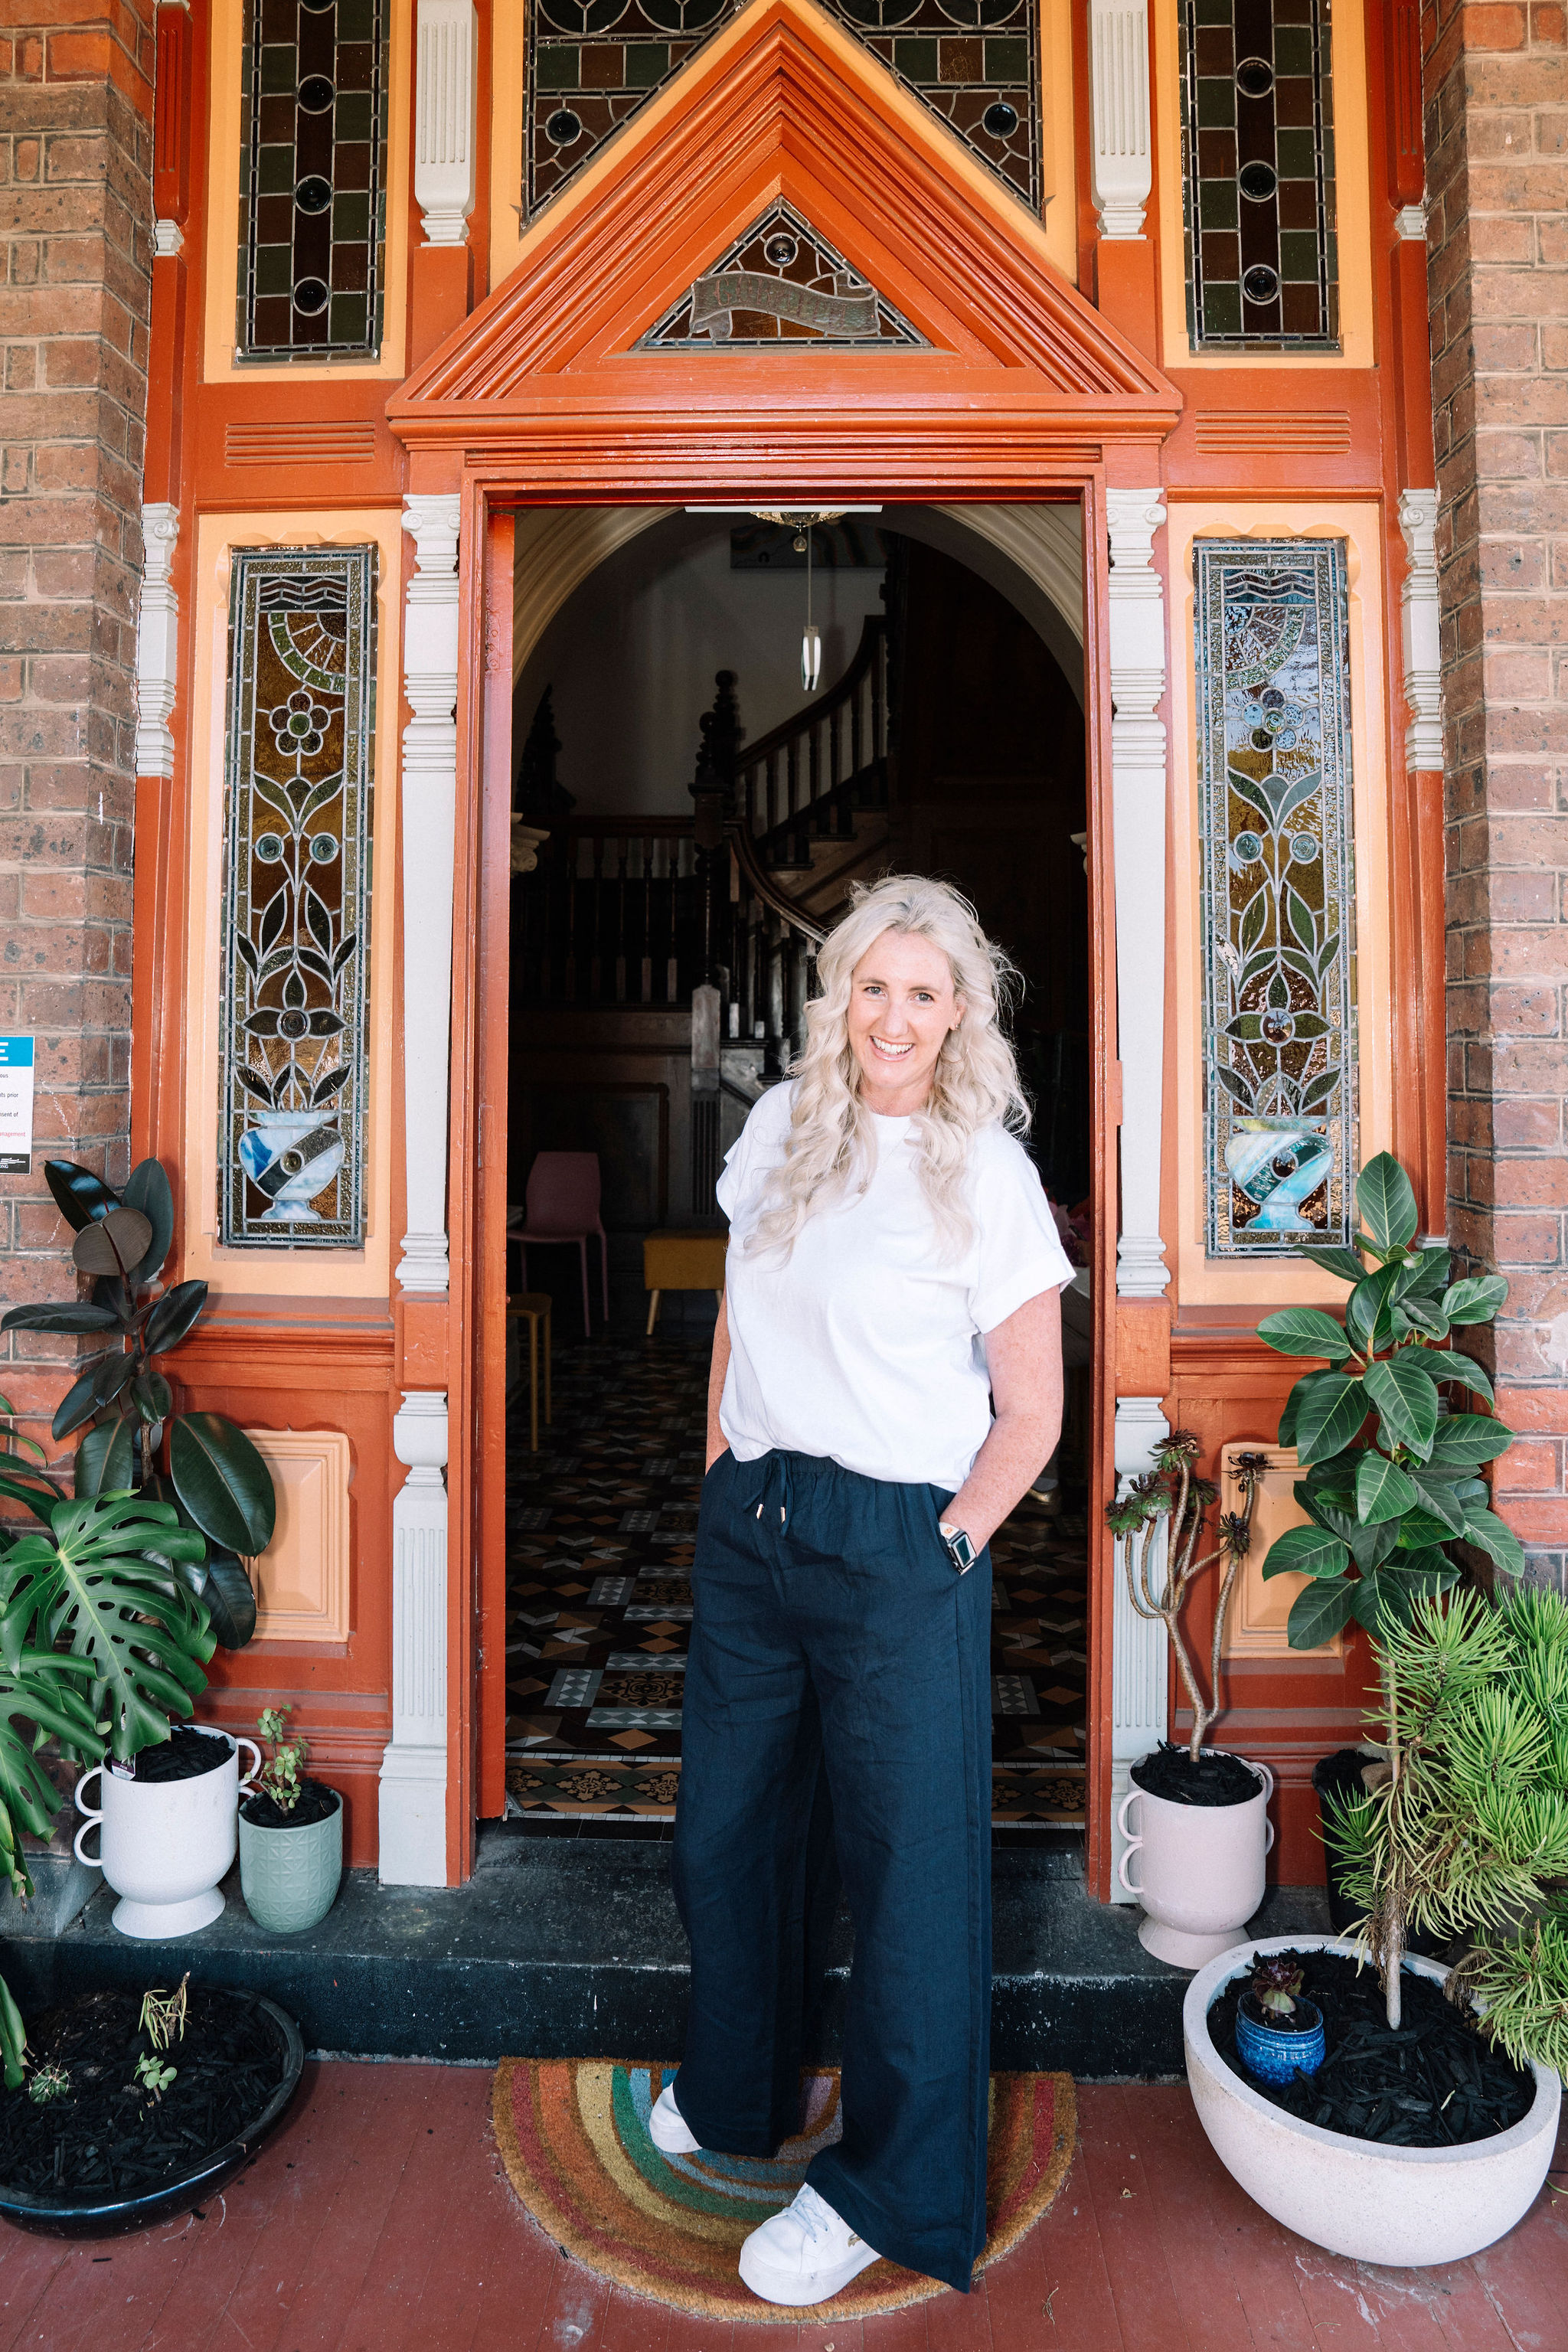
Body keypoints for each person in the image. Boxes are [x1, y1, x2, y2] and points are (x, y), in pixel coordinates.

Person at [652, 874, 1073, 2305]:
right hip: (758, 1519)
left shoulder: (986, 1175)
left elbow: (1033, 1410)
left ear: (960, 1015)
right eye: (874, 988)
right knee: (728, 1831)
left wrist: (949, 1542)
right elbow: (736, 1307)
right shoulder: (782, 1125)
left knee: (909, 1875)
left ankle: (888, 2189)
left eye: (923, 993)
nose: (894, 1017)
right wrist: (721, 1459)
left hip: (902, 1538)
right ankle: (733, 2091)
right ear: (842, 998)